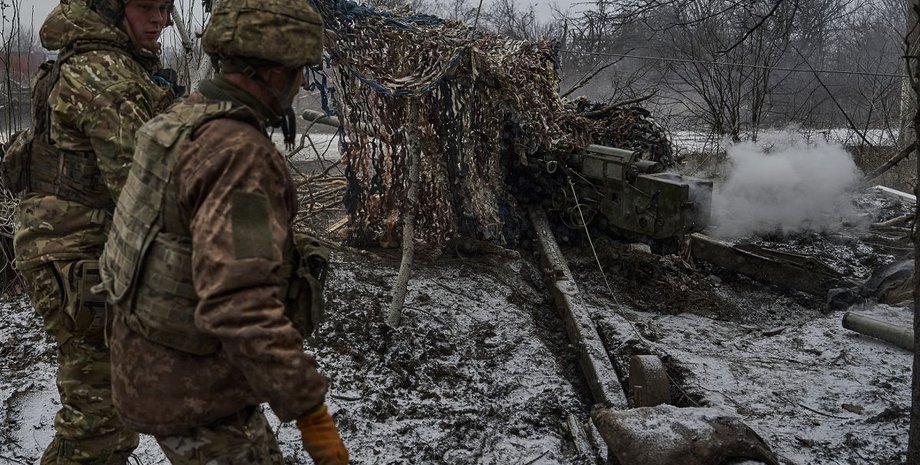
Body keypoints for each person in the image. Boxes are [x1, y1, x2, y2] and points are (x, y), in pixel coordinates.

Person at [97, 0, 349, 463]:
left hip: (145, 365)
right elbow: (240, 304)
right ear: (277, 73)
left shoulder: (180, 119)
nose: (299, 87)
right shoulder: (238, 155)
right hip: (196, 393)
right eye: (299, 74)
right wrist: (312, 413)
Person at [10, 0, 174, 463]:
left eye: (165, 6)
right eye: (146, 6)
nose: (159, 18)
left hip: (73, 245)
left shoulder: (101, 61)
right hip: (72, 255)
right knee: (100, 423)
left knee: (104, 414)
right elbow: (148, 193)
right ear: (111, 8)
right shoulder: (105, 74)